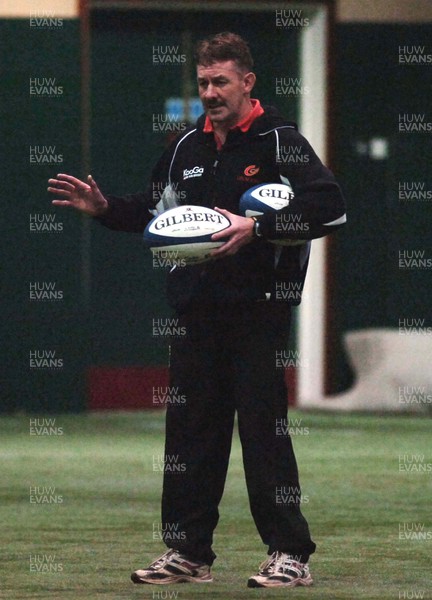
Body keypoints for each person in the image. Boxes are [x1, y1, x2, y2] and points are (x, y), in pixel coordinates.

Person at [48, 32, 346, 589]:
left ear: (248, 82)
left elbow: (330, 208)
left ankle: (289, 554)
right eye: (204, 82)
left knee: (263, 430)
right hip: (195, 312)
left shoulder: (281, 141)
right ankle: (187, 553)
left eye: (221, 82)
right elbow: (156, 211)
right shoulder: (186, 146)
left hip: (259, 311)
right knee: (190, 433)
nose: (210, 92)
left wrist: (256, 226)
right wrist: (105, 208)